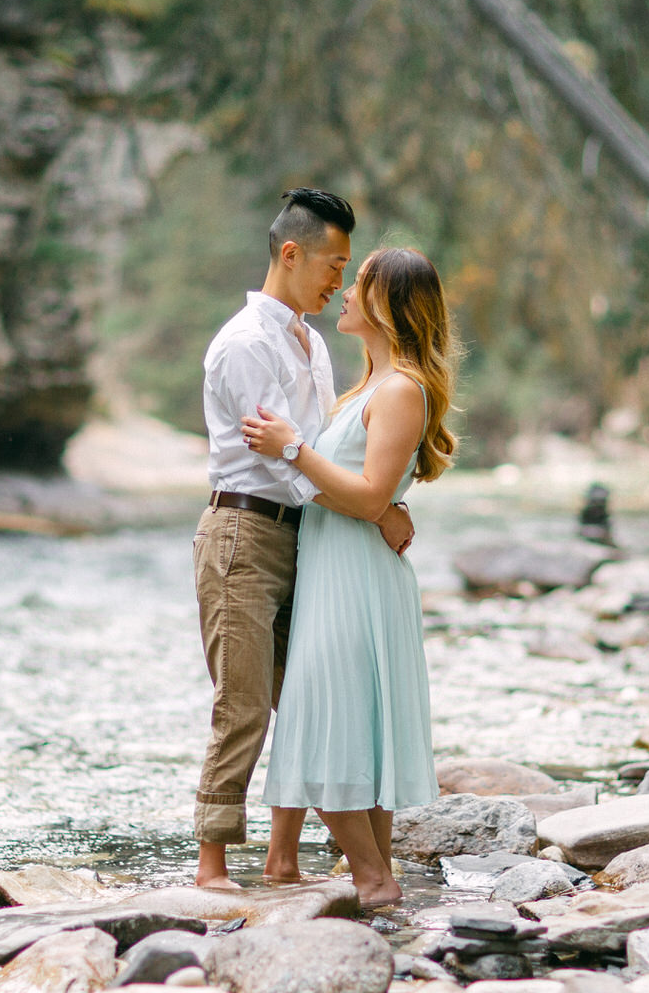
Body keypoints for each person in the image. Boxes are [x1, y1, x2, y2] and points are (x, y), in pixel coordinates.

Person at [193, 189, 414, 889]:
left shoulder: (312, 342)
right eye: (333, 264)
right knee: (245, 701)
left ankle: (287, 860)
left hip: (306, 538)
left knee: (311, 699)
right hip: (244, 535)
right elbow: (276, 461)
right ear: (291, 255)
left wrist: (363, 501)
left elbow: (316, 450)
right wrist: (374, 511)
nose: (338, 282)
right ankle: (211, 863)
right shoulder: (245, 344)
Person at [240, 246, 459, 906]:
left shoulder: (402, 389)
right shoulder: (362, 389)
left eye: (360, 283)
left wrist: (293, 449)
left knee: (325, 721)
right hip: (336, 568)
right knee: (350, 722)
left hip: (358, 579)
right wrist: (379, 502)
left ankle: (374, 880)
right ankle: (377, 889)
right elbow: (361, 493)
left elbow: (362, 495)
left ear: (389, 304)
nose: (345, 291)